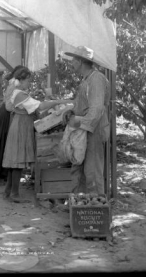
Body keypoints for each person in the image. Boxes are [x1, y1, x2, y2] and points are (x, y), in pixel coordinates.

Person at [2, 67, 69, 202]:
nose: (29, 83)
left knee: (14, 159)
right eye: (27, 80)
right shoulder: (19, 94)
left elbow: (35, 106)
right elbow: (39, 106)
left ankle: (8, 191)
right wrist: (56, 102)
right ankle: (14, 194)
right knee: (18, 160)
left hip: (20, 124)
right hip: (21, 126)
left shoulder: (18, 92)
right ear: (20, 80)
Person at [62, 46, 110, 195]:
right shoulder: (86, 79)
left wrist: (78, 121)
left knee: (93, 171)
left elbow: (96, 110)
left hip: (94, 131)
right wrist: (72, 111)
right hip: (85, 130)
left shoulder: (96, 79)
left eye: (74, 60)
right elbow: (83, 104)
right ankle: (82, 206)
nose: (71, 63)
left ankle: (97, 208)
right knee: (81, 170)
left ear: (81, 61)